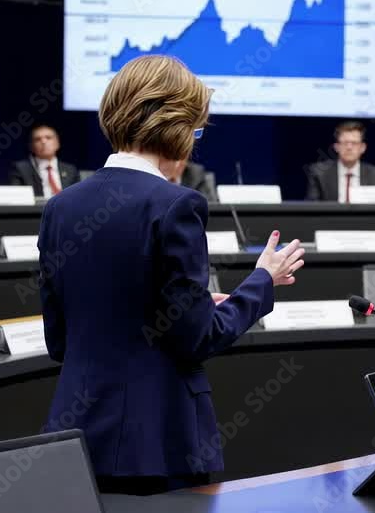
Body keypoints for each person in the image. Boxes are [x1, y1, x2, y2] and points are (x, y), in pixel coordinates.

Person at [38, 55, 304, 495]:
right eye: (196, 127)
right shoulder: (177, 205)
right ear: (174, 123)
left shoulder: (60, 207)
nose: (195, 139)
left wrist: (192, 308)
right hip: (157, 443)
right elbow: (196, 339)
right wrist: (261, 283)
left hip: (75, 435)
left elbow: (61, 340)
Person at [305, 121, 375, 202]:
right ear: (336, 147)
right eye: (345, 143)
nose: (349, 147)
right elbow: (312, 208)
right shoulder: (319, 173)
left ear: (363, 148)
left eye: (354, 143)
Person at [9, 124, 81, 199]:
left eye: (48, 138)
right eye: (37, 139)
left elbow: (79, 197)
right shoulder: (21, 169)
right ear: (31, 146)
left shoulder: (70, 169)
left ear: (57, 143)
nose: (43, 142)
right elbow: (17, 199)